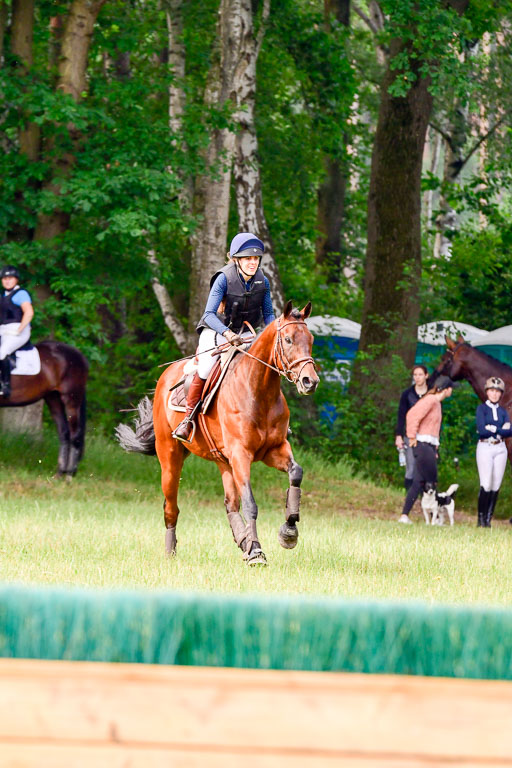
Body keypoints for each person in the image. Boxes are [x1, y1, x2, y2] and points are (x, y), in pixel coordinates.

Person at [173, 232, 275, 442]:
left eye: (255, 259)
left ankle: (274, 419)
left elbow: (269, 315)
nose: (252, 263)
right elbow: (208, 315)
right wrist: (227, 334)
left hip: (247, 334)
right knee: (206, 367)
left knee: (265, 367)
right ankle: (188, 419)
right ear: (236, 259)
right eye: (247, 258)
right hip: (217, 331)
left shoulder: (263, 282)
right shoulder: (223, 278)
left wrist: (275, 334)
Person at [398, 375, 454, 523]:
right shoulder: (431, 400)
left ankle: (405, 515)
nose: (452, 391)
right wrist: (411, 437)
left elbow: (433, 428)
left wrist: (434, 448)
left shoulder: (436, 403)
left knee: (418, 482)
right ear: (446, 389)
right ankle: (435, 518)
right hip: (422, 444)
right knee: (432, 478)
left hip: (428, 445)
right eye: (451, 389)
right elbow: (412, 416)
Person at [475, 377, 512, 528]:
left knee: (496, 484)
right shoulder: (482, 409)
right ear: (487, 392)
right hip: (485, 447)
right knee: (486, 483)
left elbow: (509, 430)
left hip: (500, 448)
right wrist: (499, 430)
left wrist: (494, 429)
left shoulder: (503, 412)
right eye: (492, 391)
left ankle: (489, 518)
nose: (494, 394)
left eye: (497, 391)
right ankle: (481, 518)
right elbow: (482, 431)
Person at [0, 265, 34, 398]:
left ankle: (5, 386)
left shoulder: (21, 294)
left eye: (10, 278)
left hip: (19, 331)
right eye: (4, 279)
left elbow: (29, 312)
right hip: (3, 330)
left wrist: (20, 329)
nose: (7, 281)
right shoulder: (2, 296)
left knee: (2, 352)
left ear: (16, 280)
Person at [395, 365, 429, 490]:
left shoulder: (431, 394)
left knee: (425, 467)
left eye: (420, 375)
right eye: (415, 375)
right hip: (410, 435)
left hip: (427, 436)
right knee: (411, 467)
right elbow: (401, 415)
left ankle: (424, 498)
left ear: (426, 376)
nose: (417, 378)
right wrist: (398, 436)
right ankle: (408, 497)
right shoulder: (407, 394)